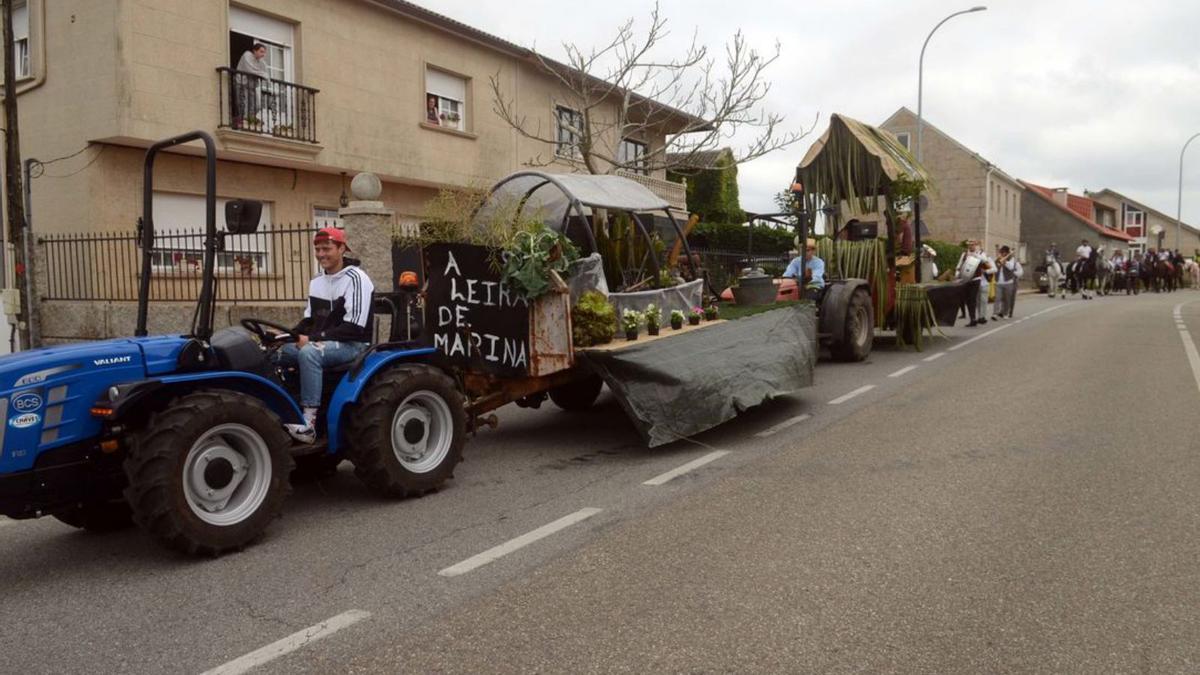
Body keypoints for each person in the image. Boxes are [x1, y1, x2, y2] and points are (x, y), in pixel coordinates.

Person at [274, 227, 375, 442]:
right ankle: (281, 410)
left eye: (326, 249)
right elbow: (310, 321)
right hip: (324, 342)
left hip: (353, 344)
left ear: (341, 249)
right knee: (273, 354)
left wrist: (311, 339)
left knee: (309, 353)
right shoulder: (316, 281)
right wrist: (284, 335)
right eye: (317, 249)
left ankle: (309, 424)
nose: (321, 254)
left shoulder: (357, 279)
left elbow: (354, 328)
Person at [235, 43, 270, 127]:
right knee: (243, 103)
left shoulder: (260, 61)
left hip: (252, 85)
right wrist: (263, 74)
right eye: (261, 52)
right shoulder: (247, 55)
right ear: (254, 51)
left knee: (257, 105)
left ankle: (250, 120)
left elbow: (265, 71)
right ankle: (244, 121)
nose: (263, 55)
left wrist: (264, 74)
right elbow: (250, 69)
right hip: (241, 83)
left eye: (264, 52)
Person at [993, 245, 1022, 318]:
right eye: (1002, 252)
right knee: (997, 298)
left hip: (1008, 282)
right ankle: (995, 313)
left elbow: (1011, 267)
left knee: (1007, 299)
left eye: (1004, 252)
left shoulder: (1011, 259)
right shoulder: (998, 259)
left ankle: (1006, 313)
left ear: (1007, 253)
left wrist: (1004, 261)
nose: (1002, 254)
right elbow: (995, 267)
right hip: (998, 282)